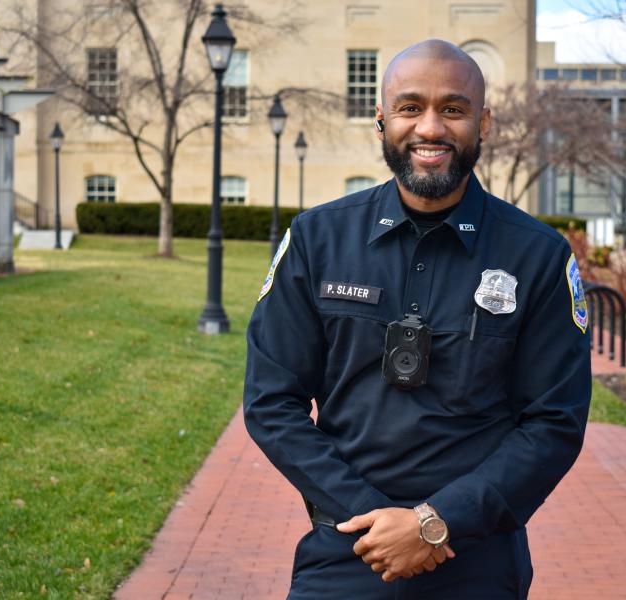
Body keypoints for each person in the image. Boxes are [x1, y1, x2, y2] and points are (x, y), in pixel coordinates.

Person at [243, 39, 591, 599]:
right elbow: (270, 402)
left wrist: (436, 523)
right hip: (347, 549)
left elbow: (554, 423)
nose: (430, 127)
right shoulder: (316, 240)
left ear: (484, 122)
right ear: (381, 120)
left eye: (453, 109)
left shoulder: (539, 257)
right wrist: (374, 519)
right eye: (410, 108)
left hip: (477, 561)